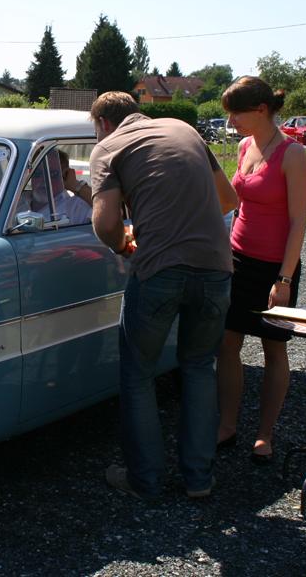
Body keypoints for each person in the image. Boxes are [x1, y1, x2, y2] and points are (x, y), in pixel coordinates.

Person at [89, 91, 237, 501]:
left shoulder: (109, 146)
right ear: (139, 111)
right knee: (198, 367)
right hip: (215, 266)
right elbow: (229, 199)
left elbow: (104, 223)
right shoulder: (184, 129)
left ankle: (146, 480)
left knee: (138, 374)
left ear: (102, 123)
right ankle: (198, 479)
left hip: (159, 270)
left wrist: (124, 244)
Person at [215, 76, 306, 464]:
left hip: (275, 267)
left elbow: (299, 221)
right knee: (227, 344)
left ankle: (265, 434)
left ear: (260, 109)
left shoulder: (292, 153)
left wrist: (284, 279)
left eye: (235, 112)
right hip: (239, 260)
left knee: (273, 349)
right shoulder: (242, 146)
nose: (231, 120)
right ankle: (227, 424)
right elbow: (237, 203)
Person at [26, 150, 92, 224]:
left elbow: (105, 210)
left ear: (65, 175)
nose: (44, 180)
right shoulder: (17, 200)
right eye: (38, 173)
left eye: (52, 174)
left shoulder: (76, 207)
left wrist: (76, 185)